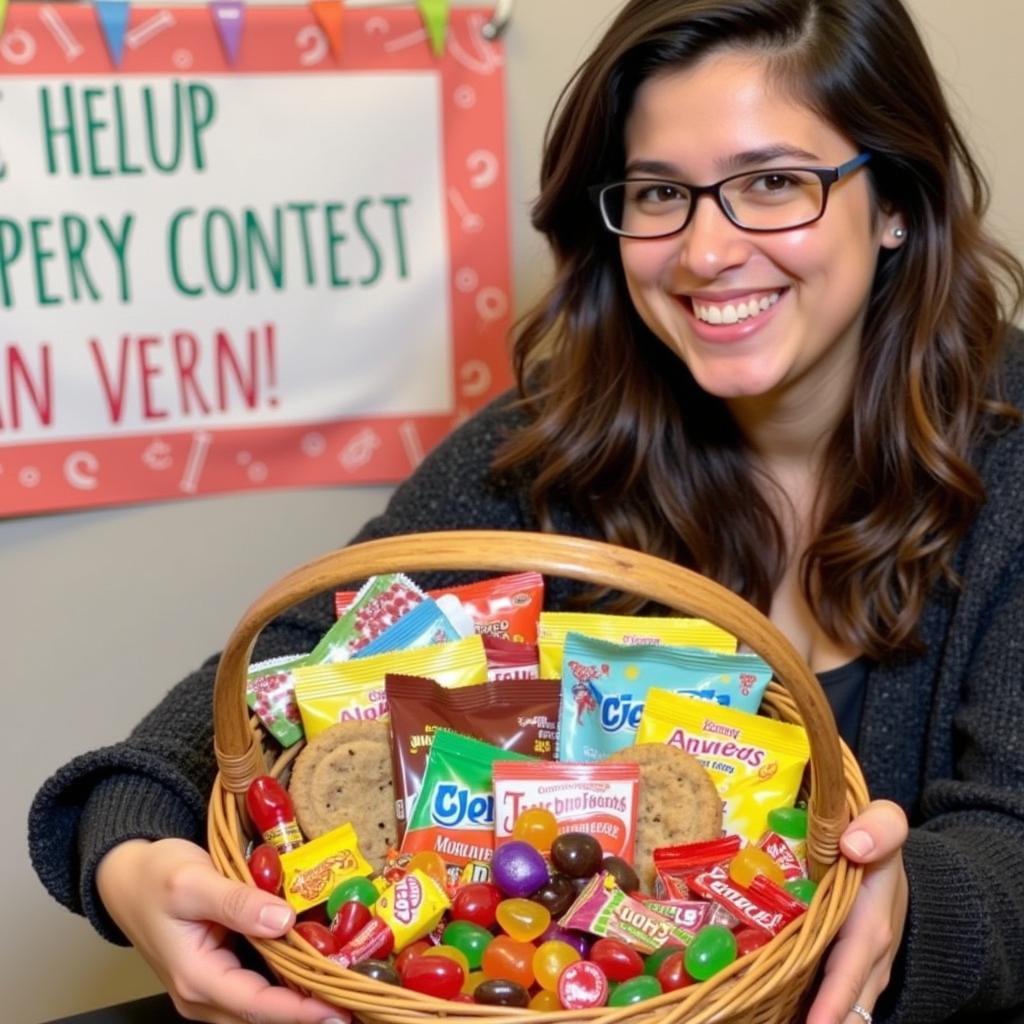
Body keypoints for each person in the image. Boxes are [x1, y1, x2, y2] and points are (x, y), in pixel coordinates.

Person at [28, 1, 1024, 1023]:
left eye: (773, 183)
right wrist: (134, 846)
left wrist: (908, 910)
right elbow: (287, 665)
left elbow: (1014, 837)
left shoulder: (1014, 461)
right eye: (658, 192)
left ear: (895, 201)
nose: (705, 251)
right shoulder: (552, 444)